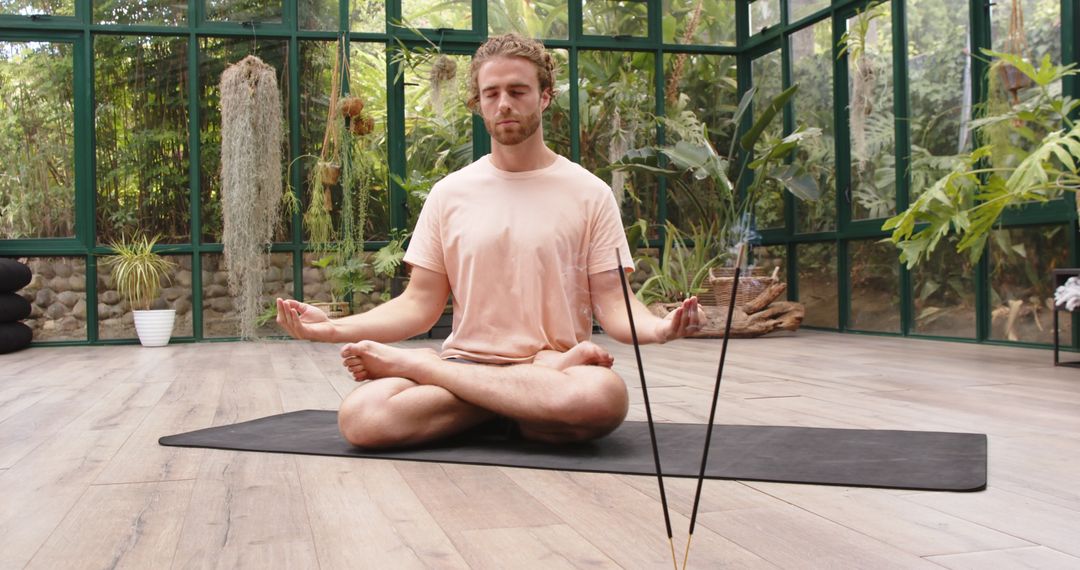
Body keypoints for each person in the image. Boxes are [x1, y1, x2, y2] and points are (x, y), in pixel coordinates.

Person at [277, 33, 701, 449]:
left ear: (545, 96)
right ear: (477, 103)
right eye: (491, 93)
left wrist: (659, 328)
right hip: (486, 363)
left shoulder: (590, 193)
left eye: (518, 91)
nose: (504, 104)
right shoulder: (449, 193)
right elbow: (418, 305)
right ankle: (520, 405)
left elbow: (614, 303)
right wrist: (332, 329)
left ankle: (429, 371)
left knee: (600, 398)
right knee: (362, 419)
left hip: (552, 362)